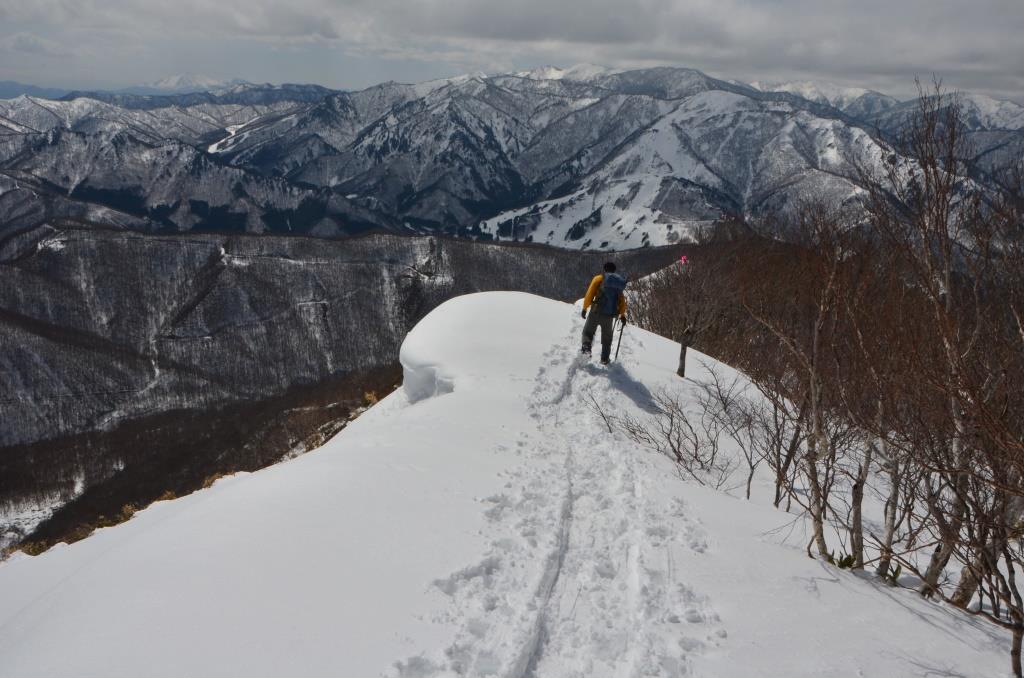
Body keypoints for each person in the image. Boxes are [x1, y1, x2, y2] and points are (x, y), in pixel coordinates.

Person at [581, 262, 627, 364]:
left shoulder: (599, 278)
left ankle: (586, 348)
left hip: (595, 312)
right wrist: (622, 315)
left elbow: (590, 293)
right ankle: (605, 359)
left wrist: (585, 308)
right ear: (614, 271)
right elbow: (621, 301)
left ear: (604, 269)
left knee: (587, 332)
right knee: (607, 339)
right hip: (609, 316)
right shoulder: (617, 284)